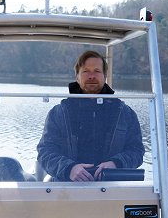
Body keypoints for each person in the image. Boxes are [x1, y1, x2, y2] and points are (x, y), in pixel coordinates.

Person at [37, 50, 145, 181]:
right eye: (86, 71)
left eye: (97, 71)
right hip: (67, 189)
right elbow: (45, 152)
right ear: (77, 76)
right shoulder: (59, 113)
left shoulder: (125, 113)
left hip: (113, 189)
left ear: (105, 76)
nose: (91, 76)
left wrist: (116, 164)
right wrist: (69, 168)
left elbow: (136, 151)